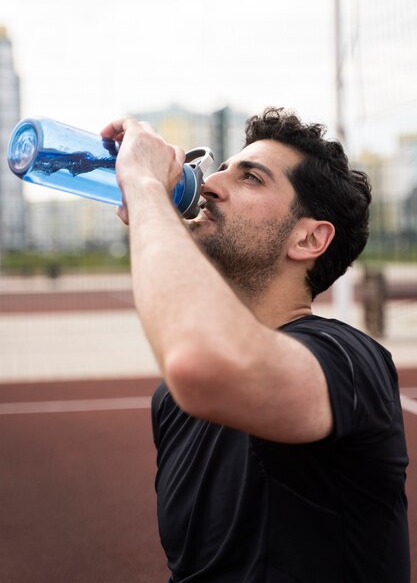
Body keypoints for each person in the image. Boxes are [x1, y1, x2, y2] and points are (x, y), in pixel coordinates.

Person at [101, 107, 410, 583]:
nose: (208, 186)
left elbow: (204, 360)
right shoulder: (171, 402)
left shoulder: (350, 360)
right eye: (221, 169)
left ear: (309, 237)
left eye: (251, 178)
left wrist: (146, 190)